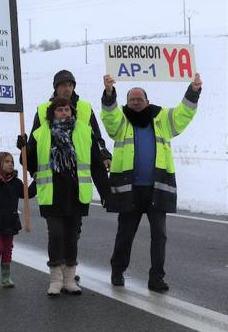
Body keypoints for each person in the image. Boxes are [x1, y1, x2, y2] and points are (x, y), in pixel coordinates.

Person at [101, 74, 202, 292]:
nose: (135, 103)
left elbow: (183, 114)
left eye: (139, 99)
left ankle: (156, 278)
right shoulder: (121, 120)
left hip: (157, 188)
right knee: (125, 234)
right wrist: (109, 93)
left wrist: (193, 91)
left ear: (147, 100)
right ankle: (117, 271)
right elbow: (109, 119)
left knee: (159, 235)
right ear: (126, 102)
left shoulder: (162, 118)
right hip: (129, 190)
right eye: (131, 100)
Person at [24, 96, 110, 296]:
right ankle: (56, 279)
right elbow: (29, 161)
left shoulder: (84, 131)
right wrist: (24, 148)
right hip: (52, 194)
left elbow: (97, 165)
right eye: (60, 110)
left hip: (76, 193)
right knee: (56, 234)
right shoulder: (40, 133)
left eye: (67, 110)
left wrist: (106, 193)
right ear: (52, 113)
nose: (64, 113)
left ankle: (69, 279)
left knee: (71, 237)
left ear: (72, 112)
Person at [30, 69, 112, 169]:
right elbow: (33, 144)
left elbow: (96, 138)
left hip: (79, 170)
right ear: (56, 88)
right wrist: (33, 169)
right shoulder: (43, 110)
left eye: (70, 85)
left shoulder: (85, 108)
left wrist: (104, 156)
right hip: (52, 170)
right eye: (64, 85)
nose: (67, 89)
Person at [0, 152, 36, 287]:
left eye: (12, 162)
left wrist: (36, 181)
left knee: (8, 248)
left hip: (10, 221)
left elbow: (27, 194)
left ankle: (6, 276)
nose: (10, 164)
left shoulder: (16, 182)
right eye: (7, 161)